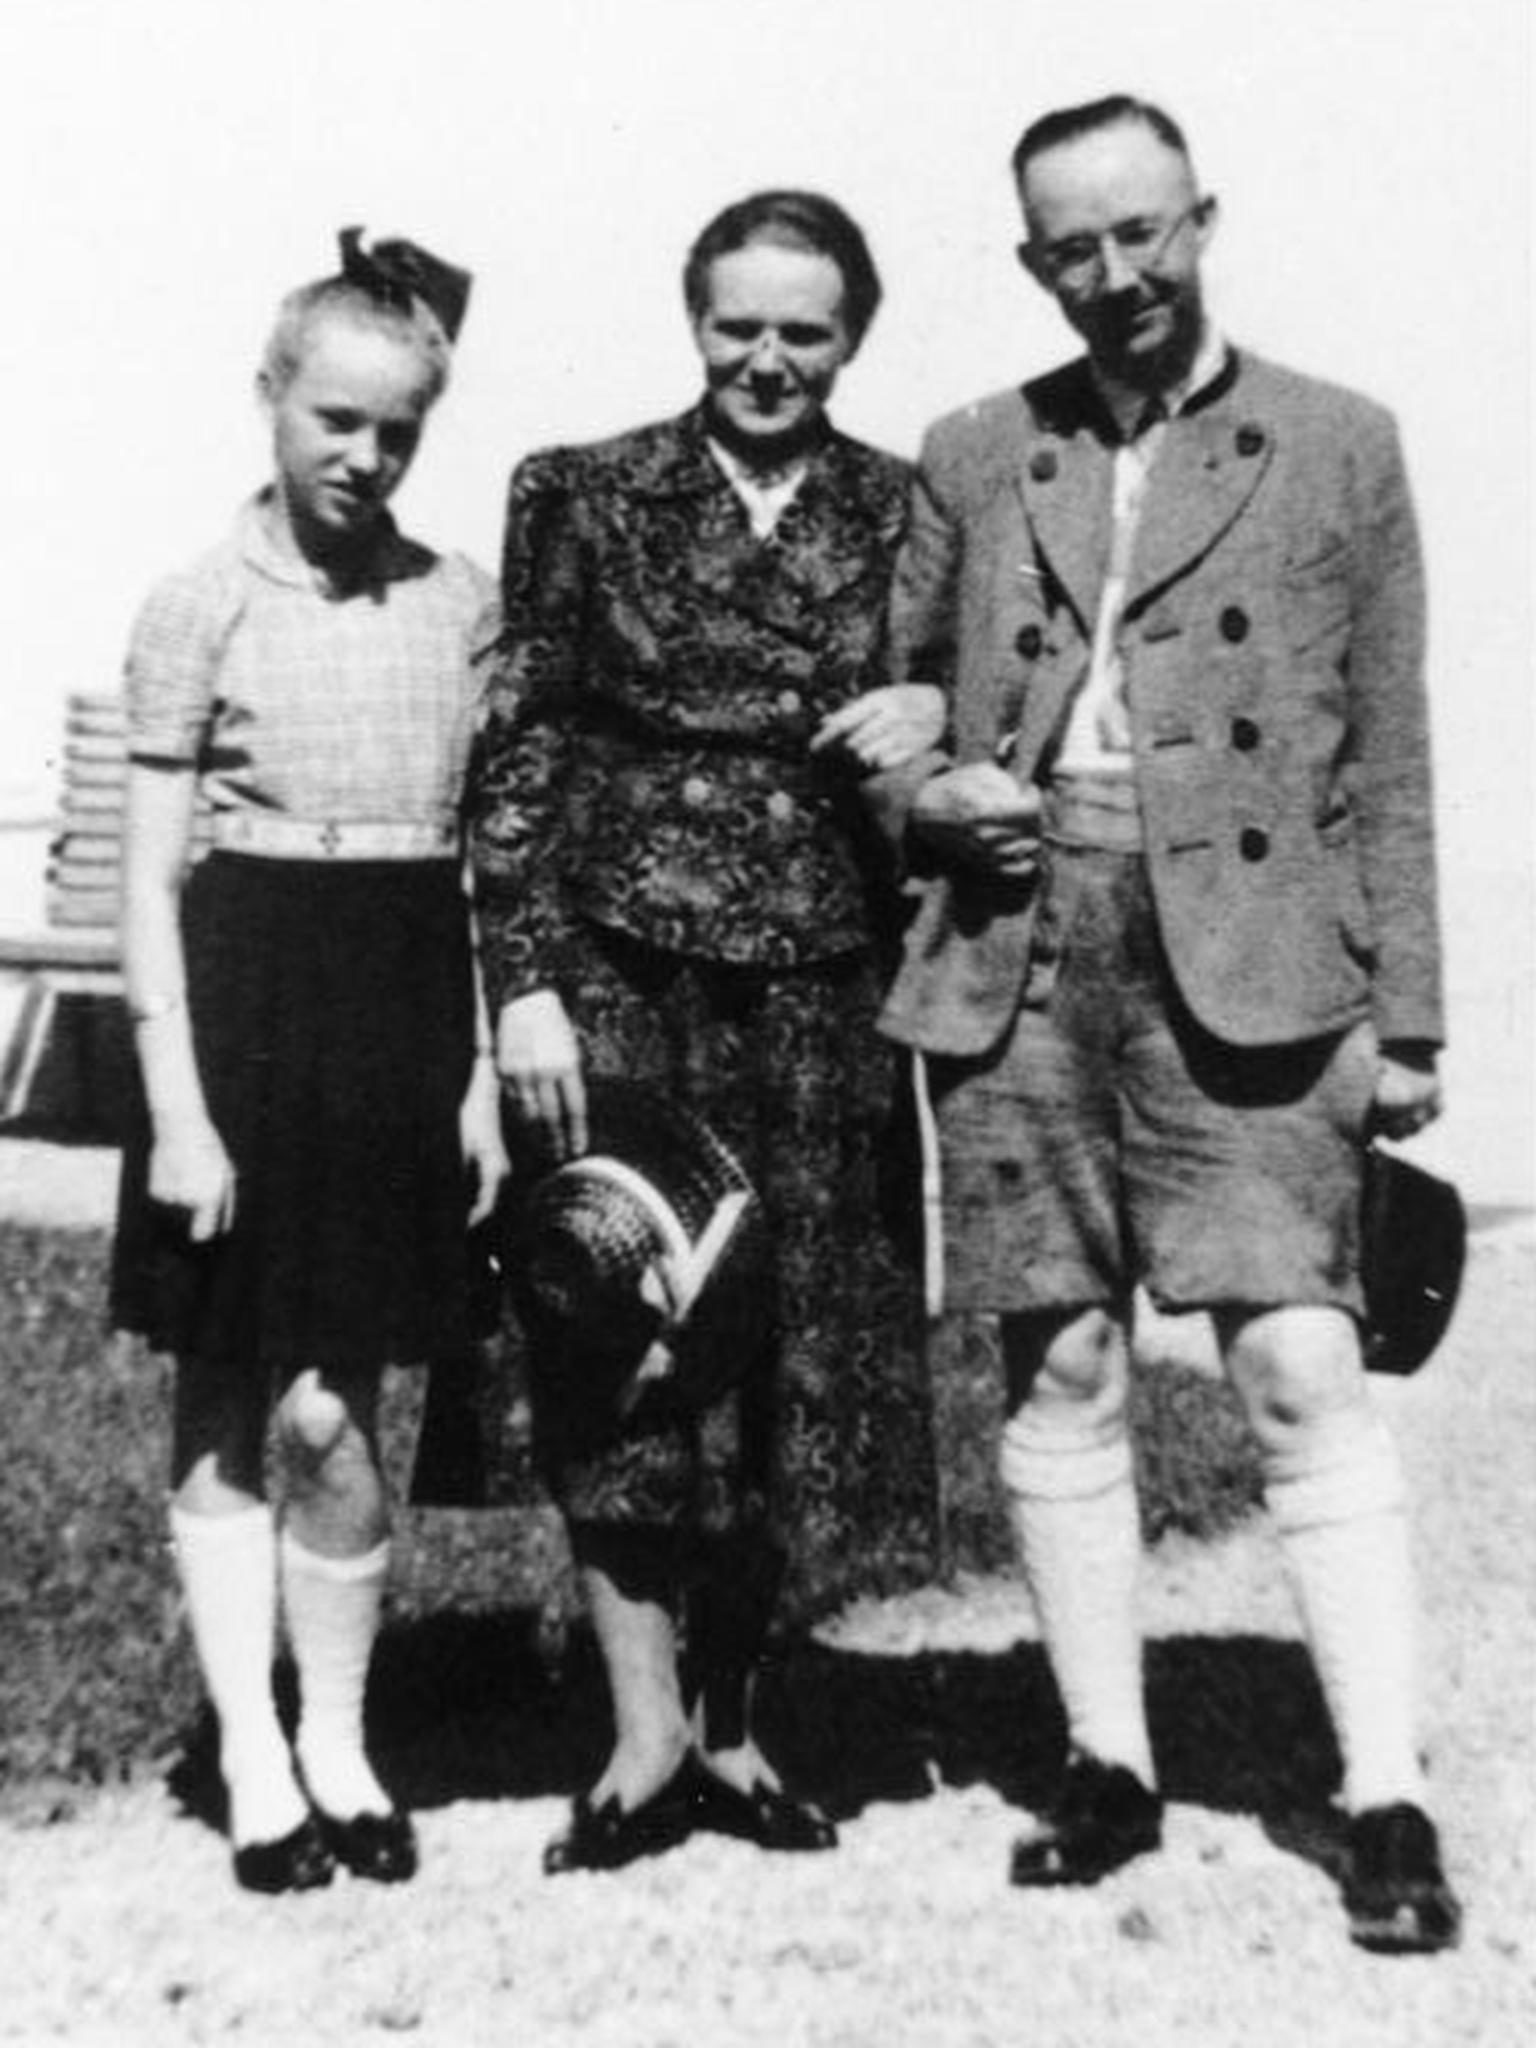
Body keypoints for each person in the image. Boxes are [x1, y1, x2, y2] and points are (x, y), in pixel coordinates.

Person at [876, 97, 1460, 1953]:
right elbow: (891, 700)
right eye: (1073, 246)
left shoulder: (1341, 442)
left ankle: (1384, 1795)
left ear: (1204, 216)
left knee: (1299, 1363)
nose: (1115, 275)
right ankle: (1106, 1762)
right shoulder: (977, 450)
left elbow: (1394, 745)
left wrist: (1413, 1017)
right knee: (1058, 1368)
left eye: (1145, 233)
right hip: (1022, 950)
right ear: (1033, 257)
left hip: (1264, 965)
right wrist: (926, 796)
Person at [469, 189, 944, 1873]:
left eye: (802, 330)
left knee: (781, 1347)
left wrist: (940, 705)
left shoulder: (910, 504)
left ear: (851, 339)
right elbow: (521, 742)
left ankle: (736, 1730)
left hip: (820, 988)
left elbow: (969, 685)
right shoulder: (581, 490)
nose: (765, 357)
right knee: (610, 1322)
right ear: (694, 323)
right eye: (736, 323)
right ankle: (638, 1733)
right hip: (614, 974)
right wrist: (518, 974)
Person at [111, 232, 507, 1895]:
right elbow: (146, 878)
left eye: (397, 432)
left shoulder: (457, 599)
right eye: (334, 420)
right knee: (226, 1401)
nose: (364, 457)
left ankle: (338, 1737)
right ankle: (253, 1763)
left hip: (401, 999)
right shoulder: (200, 602)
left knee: (342, 1410)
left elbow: (486, 861)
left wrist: (479, 1071)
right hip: (244, 1001)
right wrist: (181, 1115)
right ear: (270, 400)